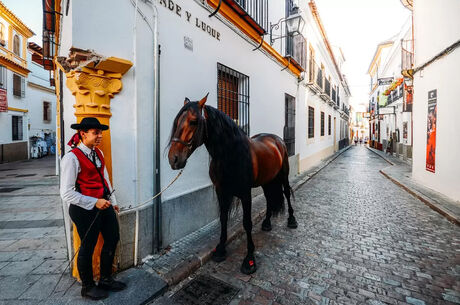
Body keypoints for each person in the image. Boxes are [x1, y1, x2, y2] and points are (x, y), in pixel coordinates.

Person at [60, 117, 126, 300]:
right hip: (83, 210)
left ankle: (105, 279)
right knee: (87, 246)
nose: (100, 136)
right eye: (95, 132)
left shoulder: (99, 154)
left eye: (100, 132)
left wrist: (113, 200)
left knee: (113, 237)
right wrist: (93, 202)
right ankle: (87, 287)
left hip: (103, 205)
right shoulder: (71, 158)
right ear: (83, 134)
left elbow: (104, 179)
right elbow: (66, 193)